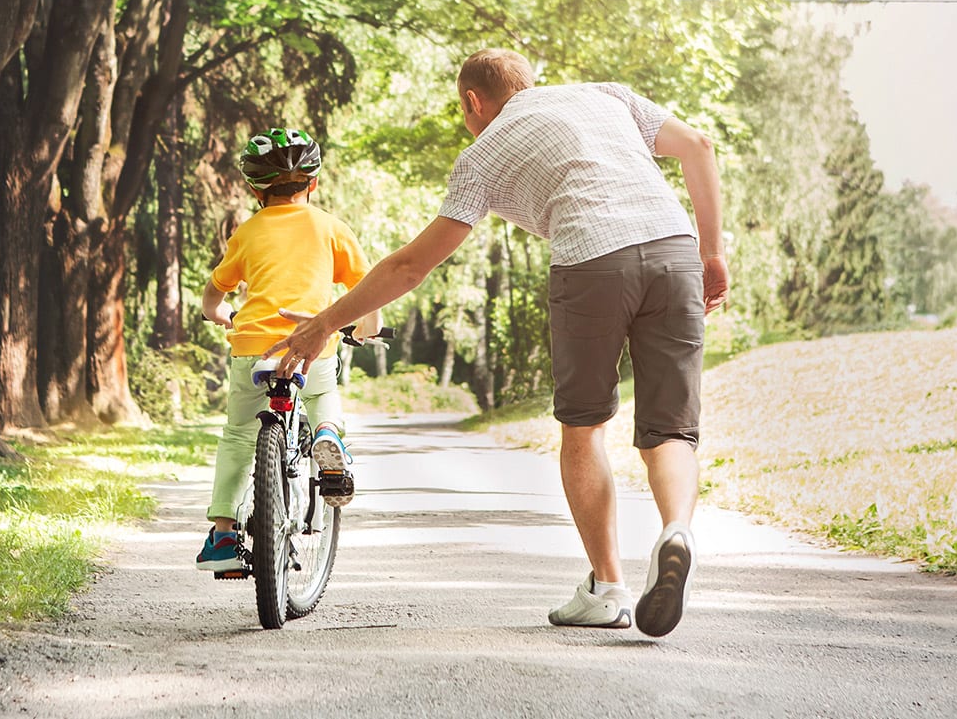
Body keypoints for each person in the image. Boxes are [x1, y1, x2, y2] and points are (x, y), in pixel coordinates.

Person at [264, 49, 728, 636]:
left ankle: (608, 588)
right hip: (673, 248)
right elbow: (699, 147)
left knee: (583, 428)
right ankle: (676, 529)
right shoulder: (605, 94)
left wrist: (325, 321)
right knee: (670, 430)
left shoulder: (484, 152)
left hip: (591, 259)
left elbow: (409, 267)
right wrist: (712, 253)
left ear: (472, 102)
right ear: (527, 84)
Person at [195, 127, 380, 572]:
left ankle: (222, 537)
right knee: (320, 394)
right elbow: (367, 290)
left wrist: (217, 313)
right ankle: (328, 437)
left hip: (254, 350)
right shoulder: (331, 228)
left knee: (240, 434)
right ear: (313, 183)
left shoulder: (247, 233)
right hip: (312, 345)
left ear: (254, 188)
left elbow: (214, 292)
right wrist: (366, 330)